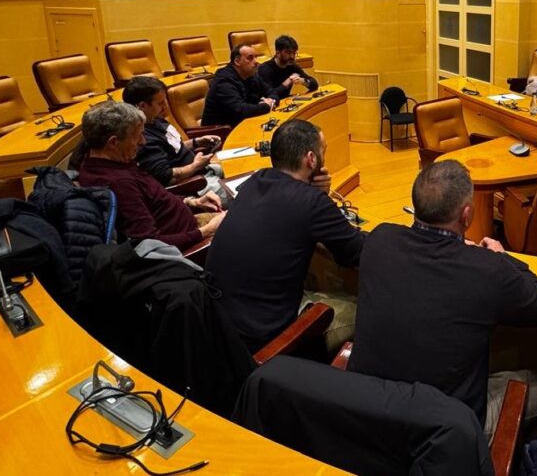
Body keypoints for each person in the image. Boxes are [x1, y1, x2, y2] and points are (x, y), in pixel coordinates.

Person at [348, 161, 537, 438]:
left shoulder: (380, 239)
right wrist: (503, 257)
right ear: (466, 215)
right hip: (442, 435)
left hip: (365, 415)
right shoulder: (487, 269)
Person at [206, 119, 364, 352]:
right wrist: (320, 198)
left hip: (217, 322)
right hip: (264, 339)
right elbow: (355, 253)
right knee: (363, 308)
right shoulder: (311, 203)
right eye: (324, 151)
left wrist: (315, 193)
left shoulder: (255, 181)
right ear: (311, 159)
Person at [77, 101, 224, 252]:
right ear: (113, 142)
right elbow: (150, 245)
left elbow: (155, 199)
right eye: (137, 136)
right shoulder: (118, 183)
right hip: (193, 244)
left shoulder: (106, 162)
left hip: (191, 224)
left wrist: (192, 202)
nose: (143, 141)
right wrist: (207, 231)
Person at [121, 76, 230, 204]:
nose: (165, 106)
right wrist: (195, 166)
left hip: (204, 171)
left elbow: (171, 146)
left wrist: (196, 142)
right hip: (195, 185)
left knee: (244, 169)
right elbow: (166, 177)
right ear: (143, 106)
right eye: (160, 103)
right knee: (244, 195)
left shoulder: (154, 119)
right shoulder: (143, 138)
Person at [202, 43, 281, 128]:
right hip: (220, 132)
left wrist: (271, 101)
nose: (256, 62)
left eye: (256, 57)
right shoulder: (223, 81)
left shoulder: (252, 75)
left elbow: (272, 92)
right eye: (250, 58)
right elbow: (240, 111)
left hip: (243, 124)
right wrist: (266, 106)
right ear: (237, 61)